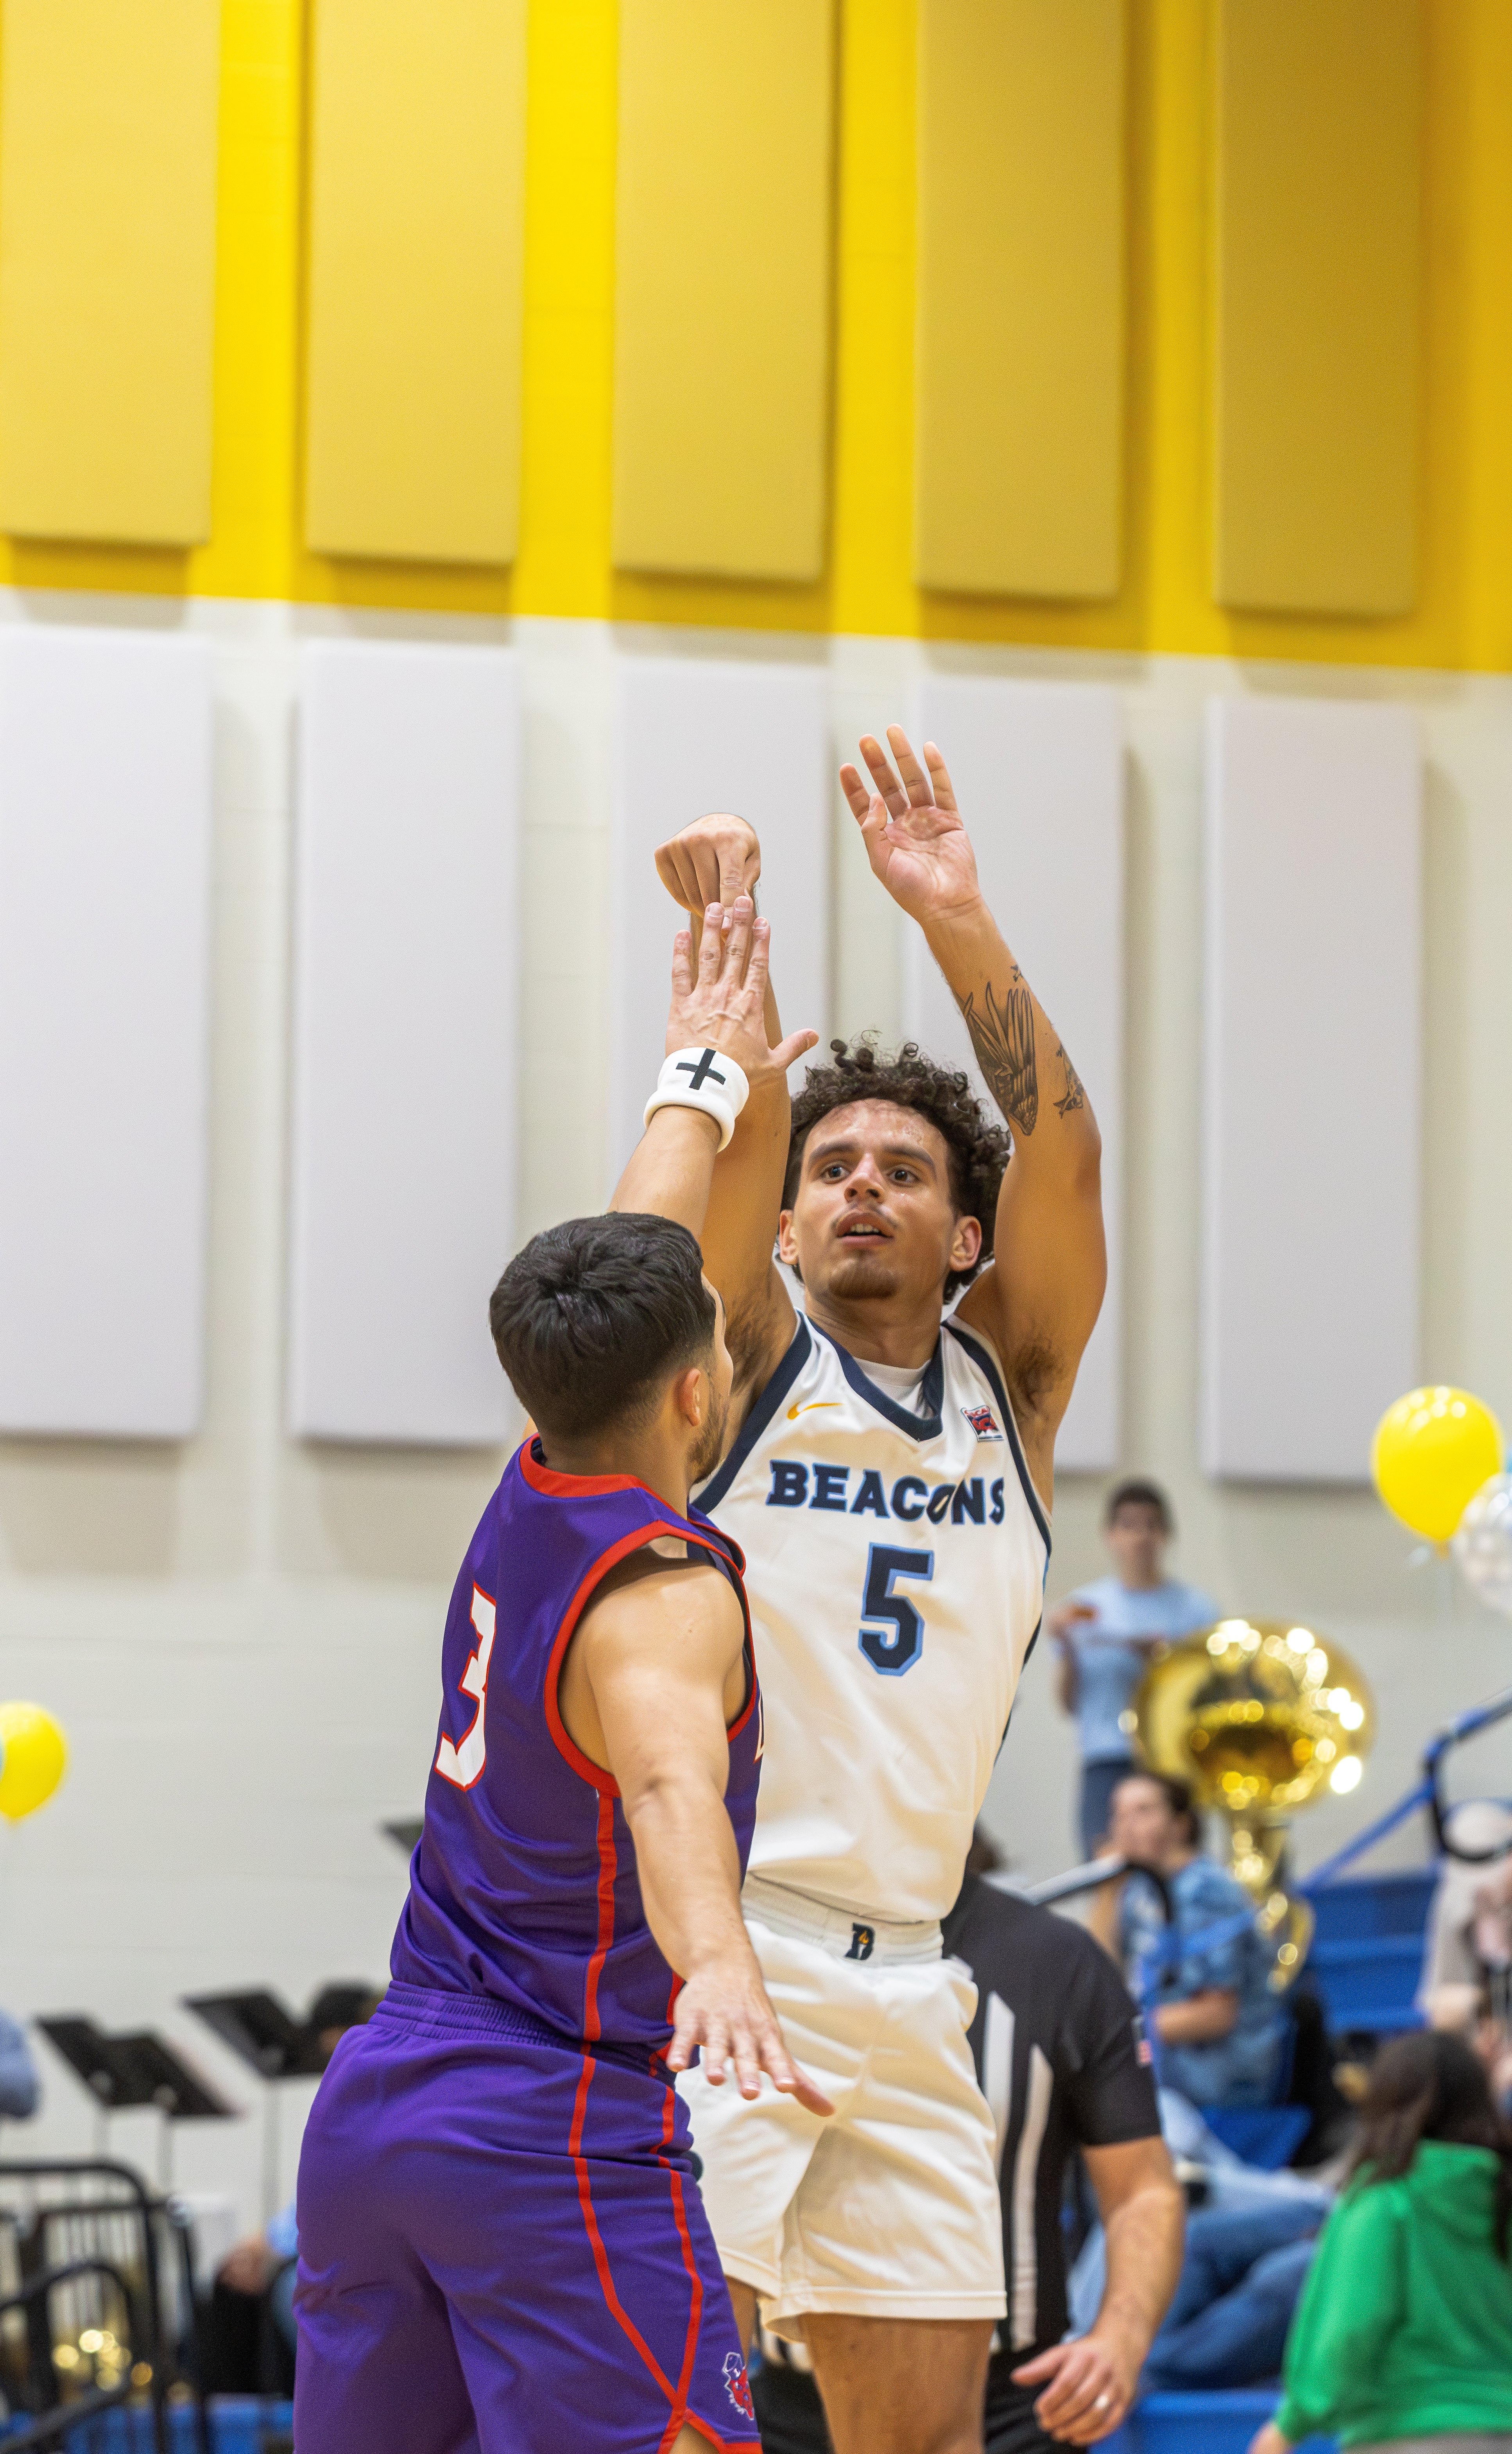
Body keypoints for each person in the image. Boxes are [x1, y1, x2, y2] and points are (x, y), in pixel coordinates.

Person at [612, 726, 1106, 2454]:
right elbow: (722, 1168)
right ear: (790, 1221)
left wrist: (952, 912)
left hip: (914, 1972)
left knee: (929, 2435)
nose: (860, 1187)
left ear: (965, 1233)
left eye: (901, 1168)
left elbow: (1065, 1157)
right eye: (831, 1169)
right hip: (726, 1944)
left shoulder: (1010, 1388)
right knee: (674, 2418)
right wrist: (733, 983)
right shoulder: (748, 1360)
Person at [294, 1040, 832, 2454]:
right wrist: (717, 1959)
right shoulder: (663, 1590)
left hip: (379, 2110)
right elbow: (664, 1781)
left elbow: (639, 1240)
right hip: (546, 2124)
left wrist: (697, 1077)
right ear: (694, 1395)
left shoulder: (536, 1469)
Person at [753, 1832, 1184, 2452]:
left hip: (1012, 2407)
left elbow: (1143, 2189)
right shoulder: (755, 1946)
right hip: (790, 2407)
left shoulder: (1055, 1961)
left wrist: (1122, 2335)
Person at [1248, 2029, 1512, 2454]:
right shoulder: (1502, 2195)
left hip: (1407, 2432)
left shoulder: (1383, 2198)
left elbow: (1352, 2327)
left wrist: (1290, 2424)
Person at [1044, 1480, 1218, 1862]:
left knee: (1179, 1869)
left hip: (1172, 1760)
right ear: (1110, 1535)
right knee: (1107, 1868)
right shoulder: (1083, 1608)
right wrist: (1067, 1646)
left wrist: (1166, 1664)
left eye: (1151, 1525)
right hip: (1106, 1756)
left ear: (1166, 1535)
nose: (1140, 1537)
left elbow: (1211, 1695)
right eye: (1128, 1525)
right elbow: (1069, 1705)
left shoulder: (1197, 1611)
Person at [1091, 1772, 1284, 2110]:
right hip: (1164, 2075)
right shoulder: (1139, 1889)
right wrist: (1107, 1893)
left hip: (1218, 2086)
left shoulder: (1209, 1892)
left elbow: (1216, 2014)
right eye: (1118, 1814)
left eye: (1143, 1811)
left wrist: (1119, 2035)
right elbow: (1099, 1973)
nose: (1126, 1827)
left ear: (1181, 1825)